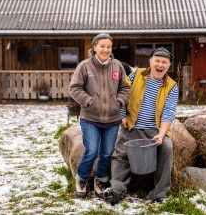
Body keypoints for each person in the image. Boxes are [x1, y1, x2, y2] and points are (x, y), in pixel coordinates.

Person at [103, 47, 179, 205]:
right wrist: (122, 115)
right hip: (133, 126)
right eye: (157, 61)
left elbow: (169, 112)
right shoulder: (136, 75)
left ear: (169, 65)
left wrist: (162, 133)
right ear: (150, 62)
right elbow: (123, 93)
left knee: (167, 148)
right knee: (121, 153)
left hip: (155, 130)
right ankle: (116, 190)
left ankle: (160, 193)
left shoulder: (172, 86)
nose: (160, 64)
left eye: (164, 62)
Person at [68, 33, 130, 198]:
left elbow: (125, 88)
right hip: (90, 119)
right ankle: (81, 179)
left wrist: (119, 101)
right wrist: (88, 101)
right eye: (102, 46)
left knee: (107, 153)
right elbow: (74, 88)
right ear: (94, 47)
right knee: (92, 151)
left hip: (112, 119)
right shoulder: (85, 66)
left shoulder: (117, 66)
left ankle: (101, 180)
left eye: (108, 47)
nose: (105, 49)